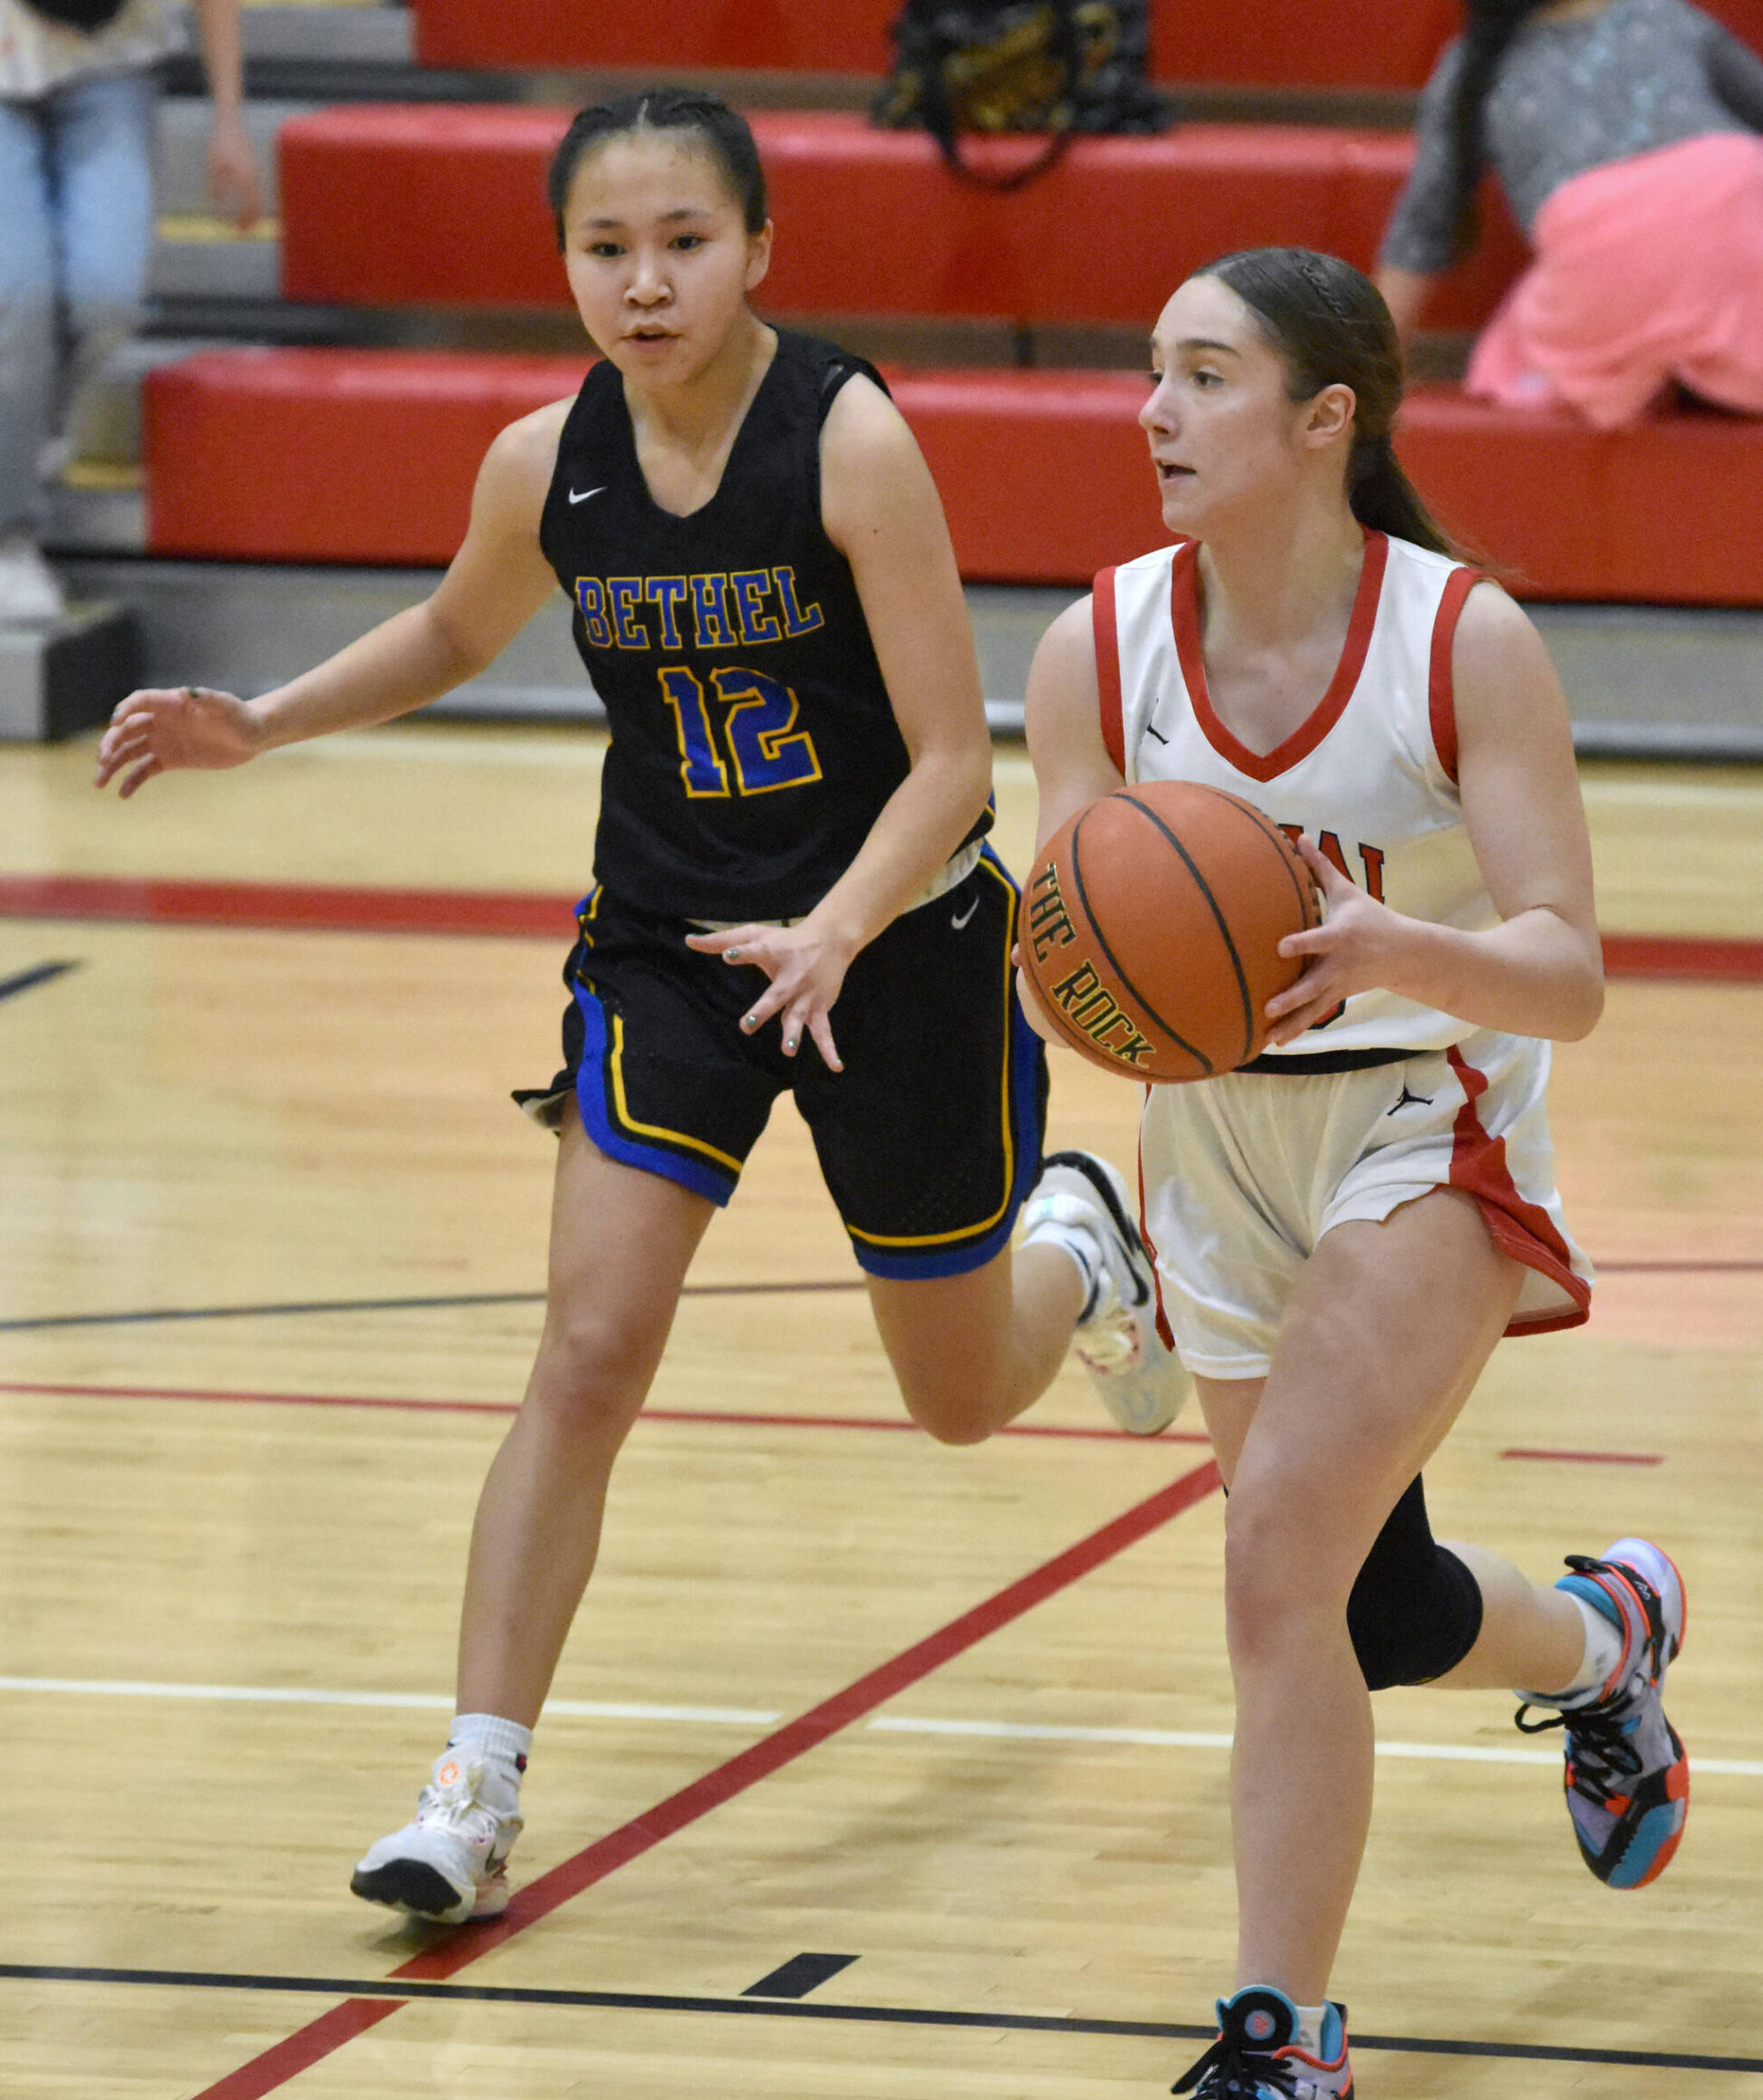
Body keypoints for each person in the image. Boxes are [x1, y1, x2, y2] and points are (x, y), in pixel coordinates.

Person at [96, 89, 1184, 1926]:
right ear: (567, 269)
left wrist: (839, 925)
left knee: (956, 1400)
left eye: (684, 241)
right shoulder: (546, 460)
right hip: (668, 952)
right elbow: (455, 629)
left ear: (759, 248)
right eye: (607, 248)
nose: (646, 281)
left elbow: (946, 762)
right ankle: (471, 1780)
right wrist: (258, 723)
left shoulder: (846, 438)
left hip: (893, 950)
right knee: (588, 1348)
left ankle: (1076, 1248)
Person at [1021, 244, 1688, 2100]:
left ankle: (1280, 2057)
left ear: (1326, 420)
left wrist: (1417, 946)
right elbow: (1070, 948)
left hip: (1424, 1114)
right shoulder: (1098, 643)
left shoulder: (1459, 639)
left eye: (1202, 375)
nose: (1154, 408)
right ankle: (1598, 1637)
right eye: (1149, 370)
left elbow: (1566, 973)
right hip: (1210, 1141)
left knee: (1263, 1562)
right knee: (1360, 1604)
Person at [1377, 0, 1763, 429]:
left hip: (1599, 270)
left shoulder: (1469, 69)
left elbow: (1423, 227)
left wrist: (1366, 374)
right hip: (1739, 209)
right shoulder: (1664, 15)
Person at [0, 0, 263, 623]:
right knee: (18, 298)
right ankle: (10, 536)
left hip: (113, 64)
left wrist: (228, 119)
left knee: (108, 297)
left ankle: (27, 427)